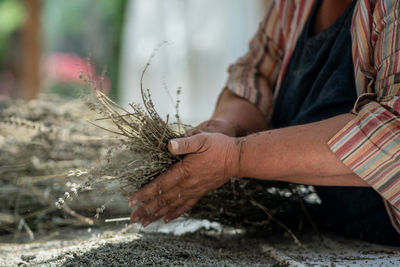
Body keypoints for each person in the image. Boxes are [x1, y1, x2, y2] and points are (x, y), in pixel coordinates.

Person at [129, 0, 400, 245]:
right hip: (339, 233)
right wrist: (229, 125)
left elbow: (392, 132)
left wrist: (236, 157)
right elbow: (256, 74)